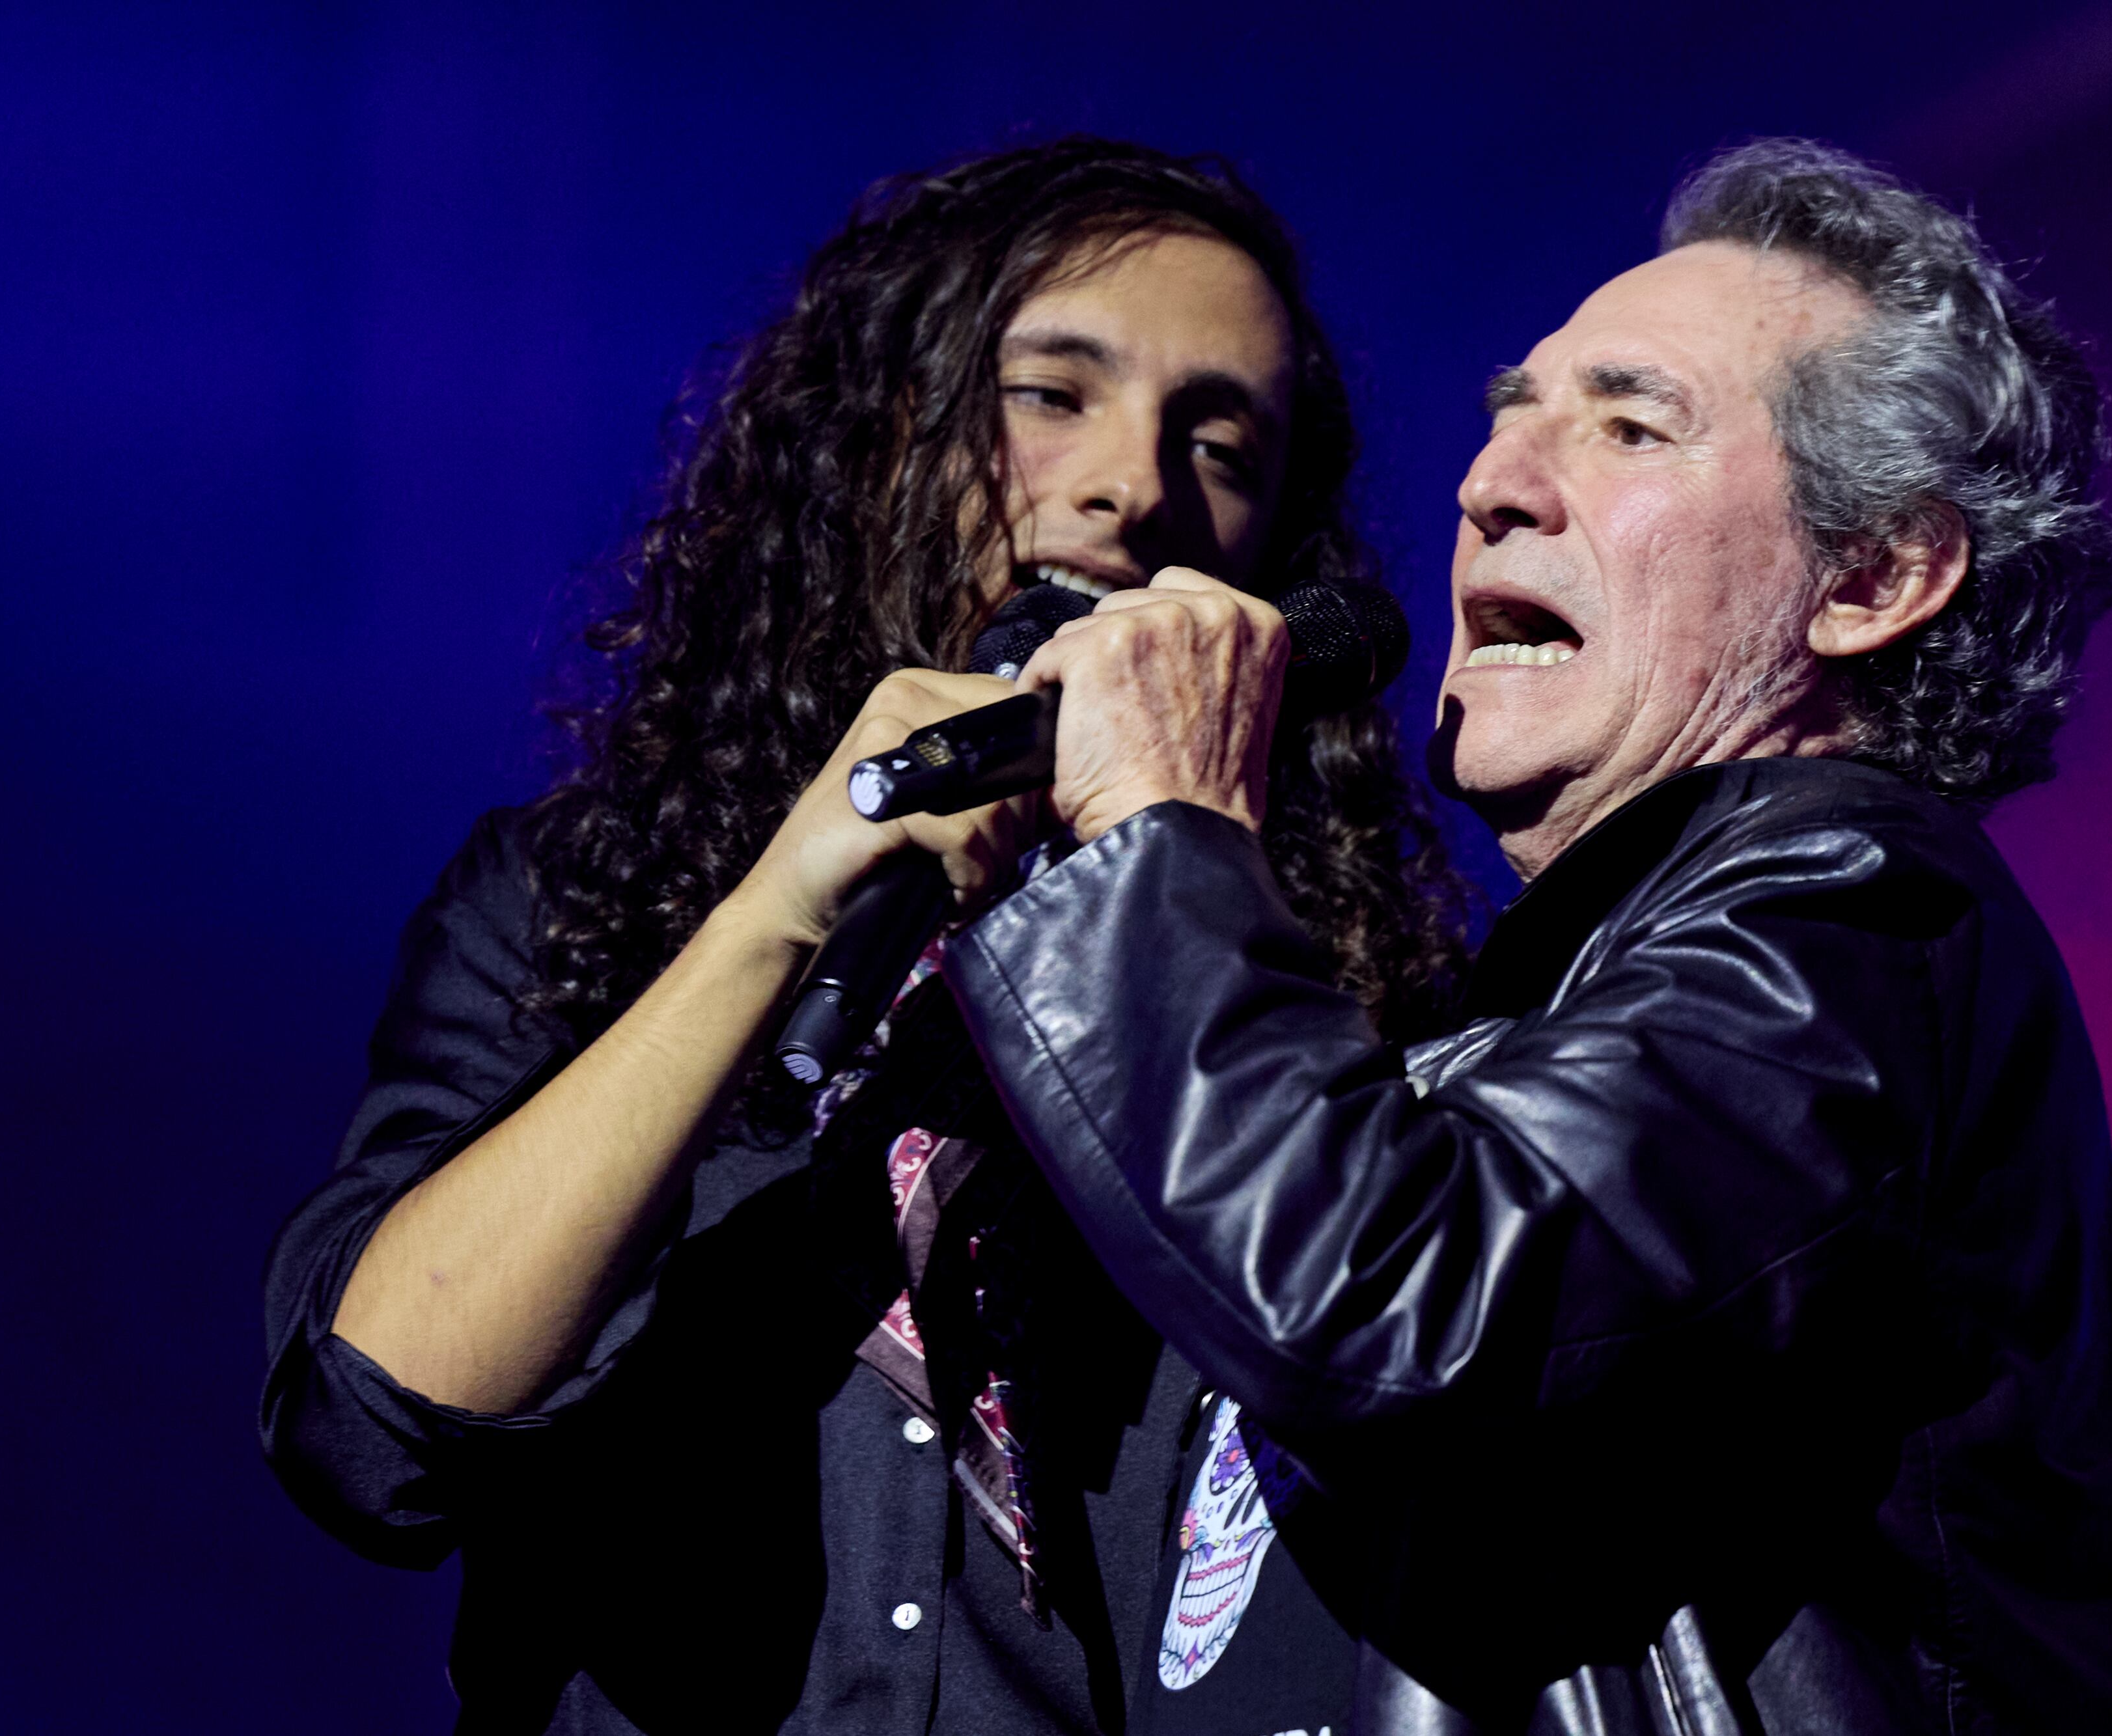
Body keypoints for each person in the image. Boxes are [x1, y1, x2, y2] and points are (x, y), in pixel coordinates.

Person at [933, 140, 2112, 1734]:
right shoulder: (1564, 995)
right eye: (1509, 414)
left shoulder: (1855, 915)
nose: (1489, 483)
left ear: (1869, 576)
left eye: (1627, 423)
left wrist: (1160, 830)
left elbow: (1394, 1300)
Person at [260, 138, 1468, 1735]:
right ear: (884, 431)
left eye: (1221, 442)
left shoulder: (1313, 996)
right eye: (1052, 394)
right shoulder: (577, 902)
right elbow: (372, 1437)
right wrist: (777, 906)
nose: (1133, 486)